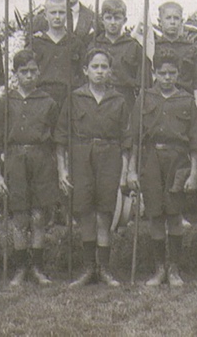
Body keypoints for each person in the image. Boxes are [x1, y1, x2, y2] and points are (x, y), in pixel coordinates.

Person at [56, 48, 131, 287]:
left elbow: (126, 140)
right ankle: (89, 268)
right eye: (95, 67)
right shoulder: (75, 98)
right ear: (85, 70)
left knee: (104, 213)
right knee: (86, 212)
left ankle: (104, 269)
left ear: (110, 71)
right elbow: (61, 137)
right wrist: (62, 169)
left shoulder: (119, 100)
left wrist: (125, 171)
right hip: (81, 155)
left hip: (110, 156)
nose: (99, 72)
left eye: (104, 67)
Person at [0, 49, 61, 286]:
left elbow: (58, 140)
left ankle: (37, 267)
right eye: (23, 72)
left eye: (33, 71)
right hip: (15, 160)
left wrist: (59, 169)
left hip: (41, 160)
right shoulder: (5, 101)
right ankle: (20, 268)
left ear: (39, 72)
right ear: (15, 74)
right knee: (20, 216)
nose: (29, 76)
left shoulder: (48, 102)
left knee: (39, 216)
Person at [126, 50, 197, 287]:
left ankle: (174, 269)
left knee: (175, 214)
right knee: (156, 215)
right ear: (154, 74)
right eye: (162, 73)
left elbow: (195, 141)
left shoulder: (187, 100)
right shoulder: (145, 98)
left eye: (172, 73)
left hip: (178, 160)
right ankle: (159, 269)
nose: (167, 77)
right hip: (151, 159)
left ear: (178, 74)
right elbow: (135, 139)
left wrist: (195, 172)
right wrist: (132, 171)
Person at [87, 0, 146, 108]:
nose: (113, 22)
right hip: (99, 97)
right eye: (108, 18)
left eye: (117, 18)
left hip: (125, 98)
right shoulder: (94, 45)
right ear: (102, 20)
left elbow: (142, 81)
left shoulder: (134, 46)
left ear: (124, 20)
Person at [153, 1, 197, 117]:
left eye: (176, 18)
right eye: (168, 18)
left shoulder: (191, 49)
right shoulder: (153, 48)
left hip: (185, 104)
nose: (172, 22)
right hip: (160, 103)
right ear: (160, 22)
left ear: (181, 22)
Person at [32, 0, 85, 107]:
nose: (57, 17)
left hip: (69, 98)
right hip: (42, 97)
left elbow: (82, 74)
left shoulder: (76, 43)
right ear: (45, 15)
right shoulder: (36, 43)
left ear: (67, 15)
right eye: (53, 12)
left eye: (61, 12)